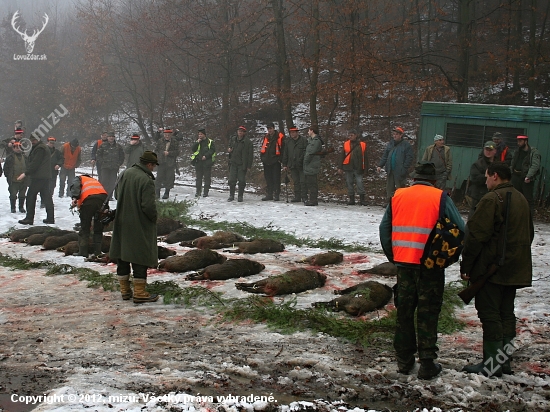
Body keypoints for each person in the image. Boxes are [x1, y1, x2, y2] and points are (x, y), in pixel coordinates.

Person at [379, 161, 465, 380]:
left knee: (404, 313)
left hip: (404, 265)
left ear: (414, 178)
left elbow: (384, 229)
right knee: (428, 313)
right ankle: (427, 363)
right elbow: (461, 229)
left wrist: (394, 256)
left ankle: (404, 362)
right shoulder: (440, 197)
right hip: (430, 267)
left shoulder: (398, 196)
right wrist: (449, 257)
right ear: (434, 180)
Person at [460, 162, 533, 377]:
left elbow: (475, 236)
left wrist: (468, 266)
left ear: (495, 176)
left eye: (487, 177)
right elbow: (529, 234)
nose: (485, 181)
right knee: (506, 314)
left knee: (490, 314)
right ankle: (504, 363)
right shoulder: (522, 199)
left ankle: (492, 366)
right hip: (514, 268)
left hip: (492, 270)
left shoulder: (492, 199)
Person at [109, 151, 160, 304]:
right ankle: (139, 292)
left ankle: (125, 291)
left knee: (123, 255)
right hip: (139, 223)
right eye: (153, 166)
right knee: (139, 256)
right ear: (149, 164)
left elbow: (117, 195)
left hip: (122, 220)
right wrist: (154, 218)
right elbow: (148, 206)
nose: (153, 169)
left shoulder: (125, 173)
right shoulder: (146, 180)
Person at [17, 133, 54, 225]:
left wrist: (25, 173)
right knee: (46, 196)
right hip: (44, 176)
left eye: (34, 140)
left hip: (39, 177)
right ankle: (50, 218)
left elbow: (35, 163)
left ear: (38, 139)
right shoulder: (41, 147)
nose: (32, 142)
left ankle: (29, 218)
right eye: (32, 140)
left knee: (30, 196)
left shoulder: (40, 149)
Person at [69, 174, 108, 257]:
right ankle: (97, 251)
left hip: (89, 201)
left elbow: (75, 187)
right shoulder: (94, 181)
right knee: (98, 227)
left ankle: (83, 252)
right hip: (103, 200)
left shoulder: (79, 178)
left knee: (85, 227)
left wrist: (74, 198)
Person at [377, 126, 414, 203]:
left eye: (396, 134)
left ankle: (400, 202)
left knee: (400, 188)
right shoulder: (390, 144)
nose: (395, 136)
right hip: (390, 169)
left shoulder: (406, 145)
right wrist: (380, 165)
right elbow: (385, 155)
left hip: (400, 170)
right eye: (394, 134)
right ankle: (389, 202)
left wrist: (404, 168)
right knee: (389, 187)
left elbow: (409, 158)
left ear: (401, 135)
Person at [510, 135, 541, 215]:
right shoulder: (517, 151)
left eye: (520, 141)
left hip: (526, 178)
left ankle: (528, 217)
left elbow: (535, 165)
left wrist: (529, 176)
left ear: (526, 141)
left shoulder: (533, 152)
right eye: (518, 141)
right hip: (515, 176)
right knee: (515, 197)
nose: (518, 143)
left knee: (527, 199)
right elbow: (513, 162)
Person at [467, 141, 497, 219]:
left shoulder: (498, 164)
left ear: (495, 151)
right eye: (486, 149)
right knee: (474, 218)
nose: (488, 152)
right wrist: (489, 177)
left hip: (493, 196)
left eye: (490, 150)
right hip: (478, 196)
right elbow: (475, 179)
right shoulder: (477, 164)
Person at [337, 128, 368, 205]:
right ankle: (351, 199)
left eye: (351, 135)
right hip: (348, 167)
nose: (350, 137)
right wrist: (340, 167)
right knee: (349, 183)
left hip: (359, 167)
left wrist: (366, 169)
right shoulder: (346, 144)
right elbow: (342, 156)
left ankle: (362, 200)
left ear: (356, 135)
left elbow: (366, 158)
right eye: (349, 135)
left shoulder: (362, 145)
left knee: (359, 183)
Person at [227, 126, 254, 202]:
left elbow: (250, 155)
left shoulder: (248, 142)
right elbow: (229, 146)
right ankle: (231, 195)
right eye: (239, 131)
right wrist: (229, 149)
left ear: (244, 133)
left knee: (241, 180)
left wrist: (249, 166)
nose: (240, 132)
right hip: (233, 163)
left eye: (241, 131)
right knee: (232, 180)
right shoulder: (233, 139)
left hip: (242, 164)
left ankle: (240, 196)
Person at [260, 122, 285, 201]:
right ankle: (269, 194)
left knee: (276, 178)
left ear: (274, 128)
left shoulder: (279, 137)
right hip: (266, 161)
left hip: (275, 161)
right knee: (268, 178)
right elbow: (263, 148)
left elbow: (283, 149)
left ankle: (276, 194)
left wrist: (280, 159)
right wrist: (262, 158)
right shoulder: (266, 137)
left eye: (270, 128)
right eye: (268, 129)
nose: (269, 130)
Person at [96, 132, 125, 199]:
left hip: (114, 167)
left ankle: (110, 196)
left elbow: (122, 156)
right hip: (105, 167)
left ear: (114, 137)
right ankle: (103, 195)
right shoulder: (103, 145)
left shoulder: (118, 146)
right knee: (104, 181)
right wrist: (102, 162)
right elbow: (98, 155)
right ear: (107, 137)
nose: (111, 138)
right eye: (110, 136)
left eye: (112, 136)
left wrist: (119, 163)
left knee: (112, 182)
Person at [282, 126, 307, 202]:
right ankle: (297, 197)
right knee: (296, 182)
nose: (292, 134)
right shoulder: (288, 142)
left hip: (302, 165)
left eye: (293, 132)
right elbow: (285, 153)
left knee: (303, 182)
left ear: (297, 132)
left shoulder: (304, 140)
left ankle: (304, 197)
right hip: (292, 165)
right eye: (291, 132)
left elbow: (306, 152)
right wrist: (285, 164)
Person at [154, 128, 180, 199]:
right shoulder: (160, 141)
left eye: (168, 135)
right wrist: (161, 153)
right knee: (159, 177)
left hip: (170, 162)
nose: (167, 136)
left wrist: (169, 153)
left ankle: (166, 193)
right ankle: (157, 193)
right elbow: (156, 151)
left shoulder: (174, 142)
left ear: (171, 135)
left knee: (169, 178)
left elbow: (177, 152)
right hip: (161, 162)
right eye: (165, 135)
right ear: (164, 135)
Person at [191, 128, 216, 197]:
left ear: (204, 135)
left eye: (201, 134)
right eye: (199, 134)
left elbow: (212, 150)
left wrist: (206, 156)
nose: (200, 136)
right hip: (198, 162)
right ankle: (198, 191)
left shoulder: (210, 142)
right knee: (198, 178)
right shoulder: (198, 142)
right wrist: (197, 142)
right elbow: (193, 149)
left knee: (207, 178)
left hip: (207, 163)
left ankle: (206, 192)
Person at [4, 141, 28, 213]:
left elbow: (29, 167)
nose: (18, 149)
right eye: (16, 147)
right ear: (13, 148)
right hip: (13, 180)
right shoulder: (9, 158)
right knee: (13, 194)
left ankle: (21, 207)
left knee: (22, 195)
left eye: (19, 147)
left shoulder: (25, 157)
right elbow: (6, 168)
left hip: (24, 180)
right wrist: (8, 176)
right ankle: (13, 208)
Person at [303, 125, 323, 206]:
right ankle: (311, 199)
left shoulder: (316, 141)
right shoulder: (310, 140)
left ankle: (313, 200)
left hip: (312, 164)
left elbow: (310, 152)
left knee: (312, 183)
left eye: (309, 130)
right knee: (309, 182)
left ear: (312, 131)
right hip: (309, 165)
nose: (308, 132)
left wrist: (305, 161)